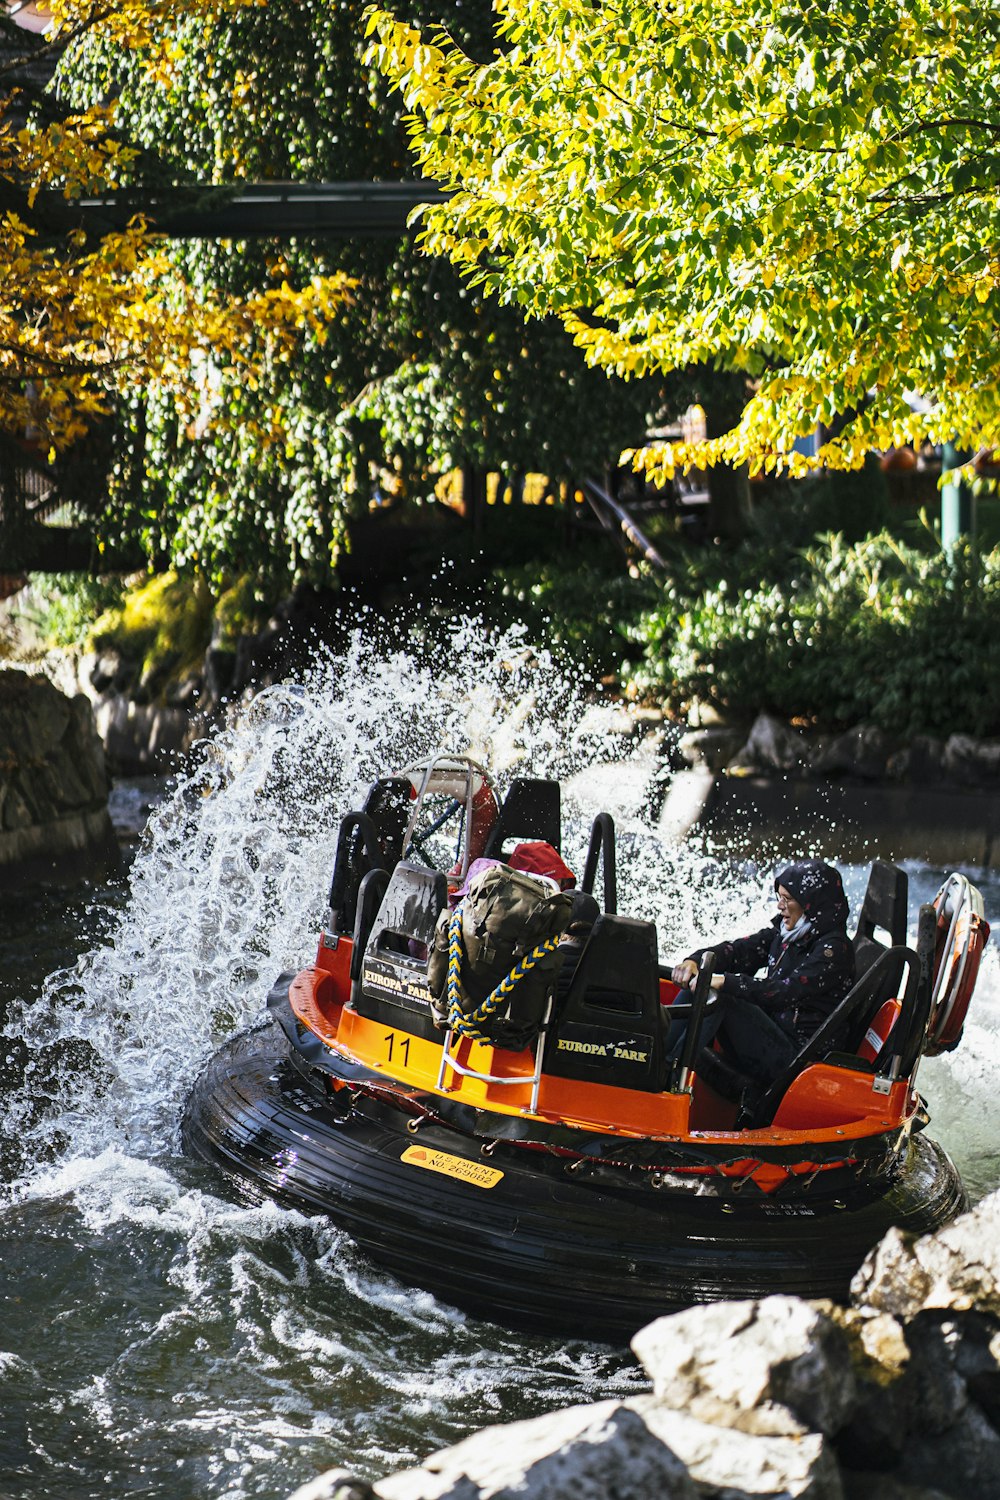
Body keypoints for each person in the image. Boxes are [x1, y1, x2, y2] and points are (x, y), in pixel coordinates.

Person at [668, 859, 856, 1097]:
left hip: (799, 1060)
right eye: (779, 897)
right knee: (701, 978)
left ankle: (668, 1075)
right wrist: (694, 961)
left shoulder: (834, 950)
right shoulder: (788, 932)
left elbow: (784, 992)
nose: (780, 906)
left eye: (787, 899)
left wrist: (724, 981)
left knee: (721, 996)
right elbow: (738, 951)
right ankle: (656, 1060)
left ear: (811, 904)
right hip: (773, 1034)